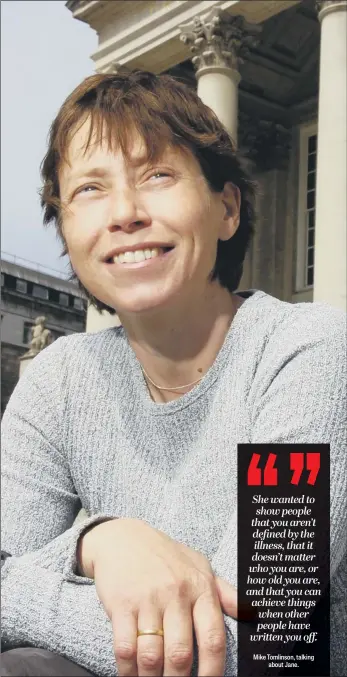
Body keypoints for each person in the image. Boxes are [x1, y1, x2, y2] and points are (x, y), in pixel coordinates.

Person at [1, 70, 346, 677]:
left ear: (227, 209)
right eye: (88, 190)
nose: (125, 214)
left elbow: (267, 641)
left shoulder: (308, 351)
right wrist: (97, 545)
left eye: (157, 175)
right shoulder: (57, 379)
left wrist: (33, 587)